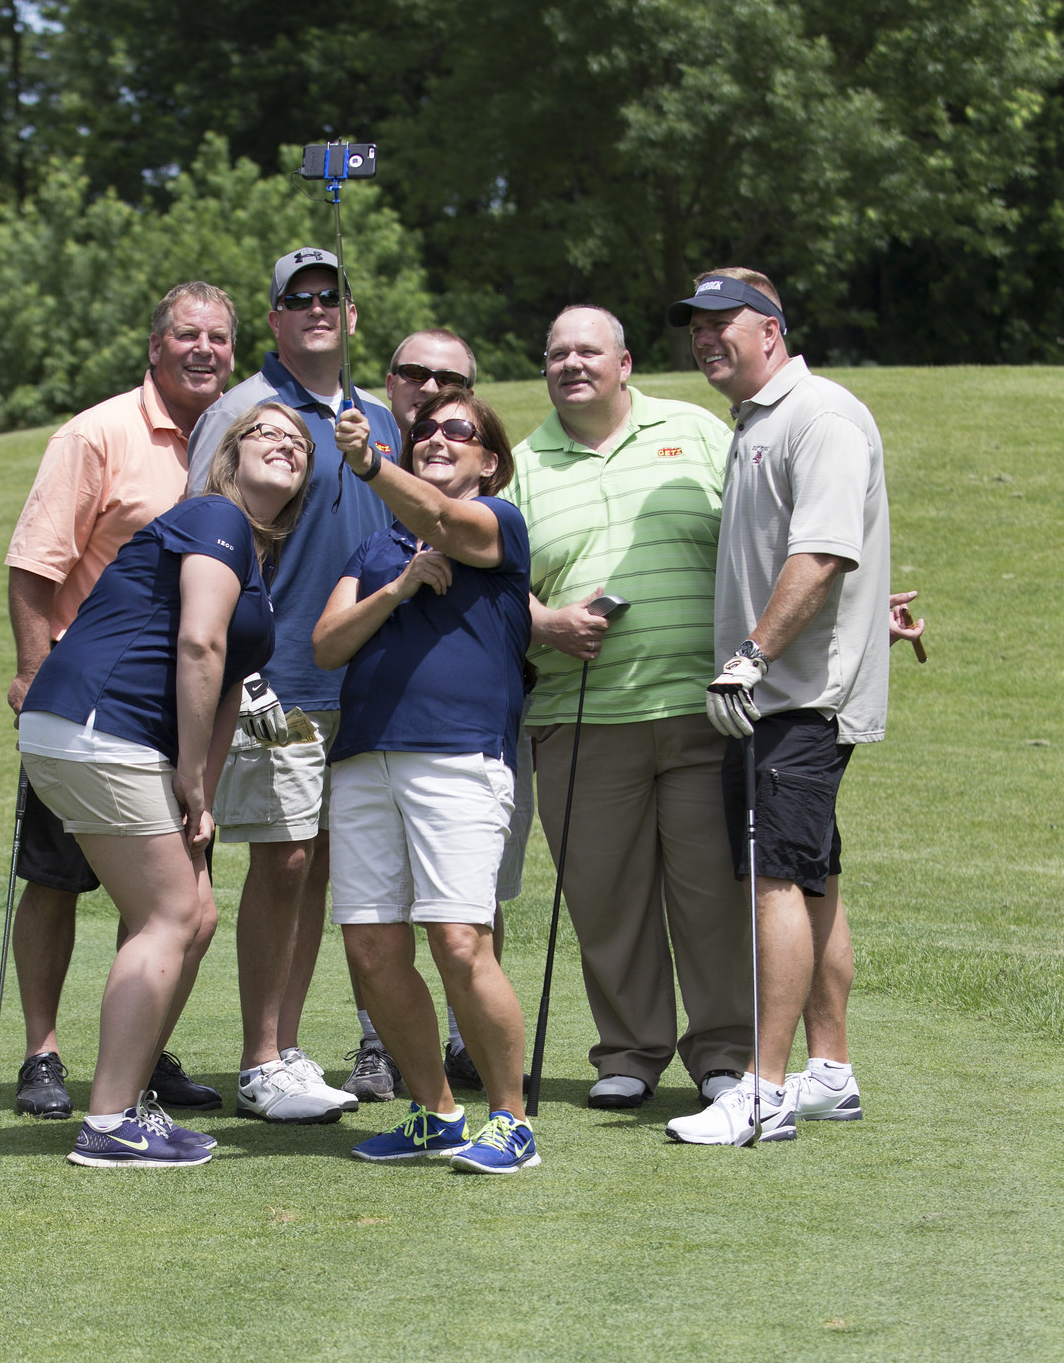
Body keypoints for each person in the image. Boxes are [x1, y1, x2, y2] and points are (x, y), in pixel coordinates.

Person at [16, 405, 313, 1167]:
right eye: (265, 432)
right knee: (170, 913)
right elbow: (197, 643)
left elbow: (227, 688)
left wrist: (201, 796)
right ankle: (111, 1121)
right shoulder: (213, 514)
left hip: (106, 738)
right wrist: (185, 770)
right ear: (226, 455)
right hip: (100, 724)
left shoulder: (252, 558)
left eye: (300, 442)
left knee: (197, 912)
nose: (287, 443)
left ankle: (129, 1095)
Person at [661, 268, 891, 1146]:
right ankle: (827, 1071)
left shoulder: (818, 415)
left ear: (771, 328)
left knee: (774, 882)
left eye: (724, 322)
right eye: (696, 326)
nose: (706, 337)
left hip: (791, 698)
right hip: (778, 696)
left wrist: (751, 657)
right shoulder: (759, 420)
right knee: (811, 876)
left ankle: (762, 1090)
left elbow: (823, 554)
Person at [510, 305, 752, 1111]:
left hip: (703, 712)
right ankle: (629, 1051)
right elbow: (493, 587)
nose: (571, 364)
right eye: (556, 354)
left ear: (624, 362)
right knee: (603, 896)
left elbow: (762, 537)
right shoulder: (521, 465)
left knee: (710, 895)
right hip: (580, 721)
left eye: (588, 351)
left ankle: (722, 1053)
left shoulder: (695, 431)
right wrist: (543, 621)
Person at [5, 281, 236, 1119]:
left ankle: (139, 1054)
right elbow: (34, 564)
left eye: (217, 336)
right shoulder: (98, 434)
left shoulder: (230, 442)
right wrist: (34, 672)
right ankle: (42, 1053)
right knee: (59, 880)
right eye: (186, 335)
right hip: (89, 703)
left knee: (167, 894)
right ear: (155, 347)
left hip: (180, 709)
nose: (203, 349)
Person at [186, 249, 402, 1124]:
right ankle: (259, 1057)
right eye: (297, 298)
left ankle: (284, 1047)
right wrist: (244, 669)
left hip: (362, 683)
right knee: (283, 862)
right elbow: (207, 532)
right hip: (274, 681)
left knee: (317, 870)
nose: (316, 308)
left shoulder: (378, 417)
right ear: (273, 320)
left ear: (350, 317)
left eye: (331, 296)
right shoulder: (244, 412)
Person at [316, 389, 540, 1176]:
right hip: (363, 759)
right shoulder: (376, 549)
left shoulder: (499, 525)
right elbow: (325, 646)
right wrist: (399, 586)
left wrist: (370, 462)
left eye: (459, 431)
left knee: (457, 939)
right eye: (424, 431)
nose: (437, 437)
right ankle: (435, 1112)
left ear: (489, 459)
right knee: (372, 948)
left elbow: (449, 525)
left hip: (458, 759)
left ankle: (510, 1120)